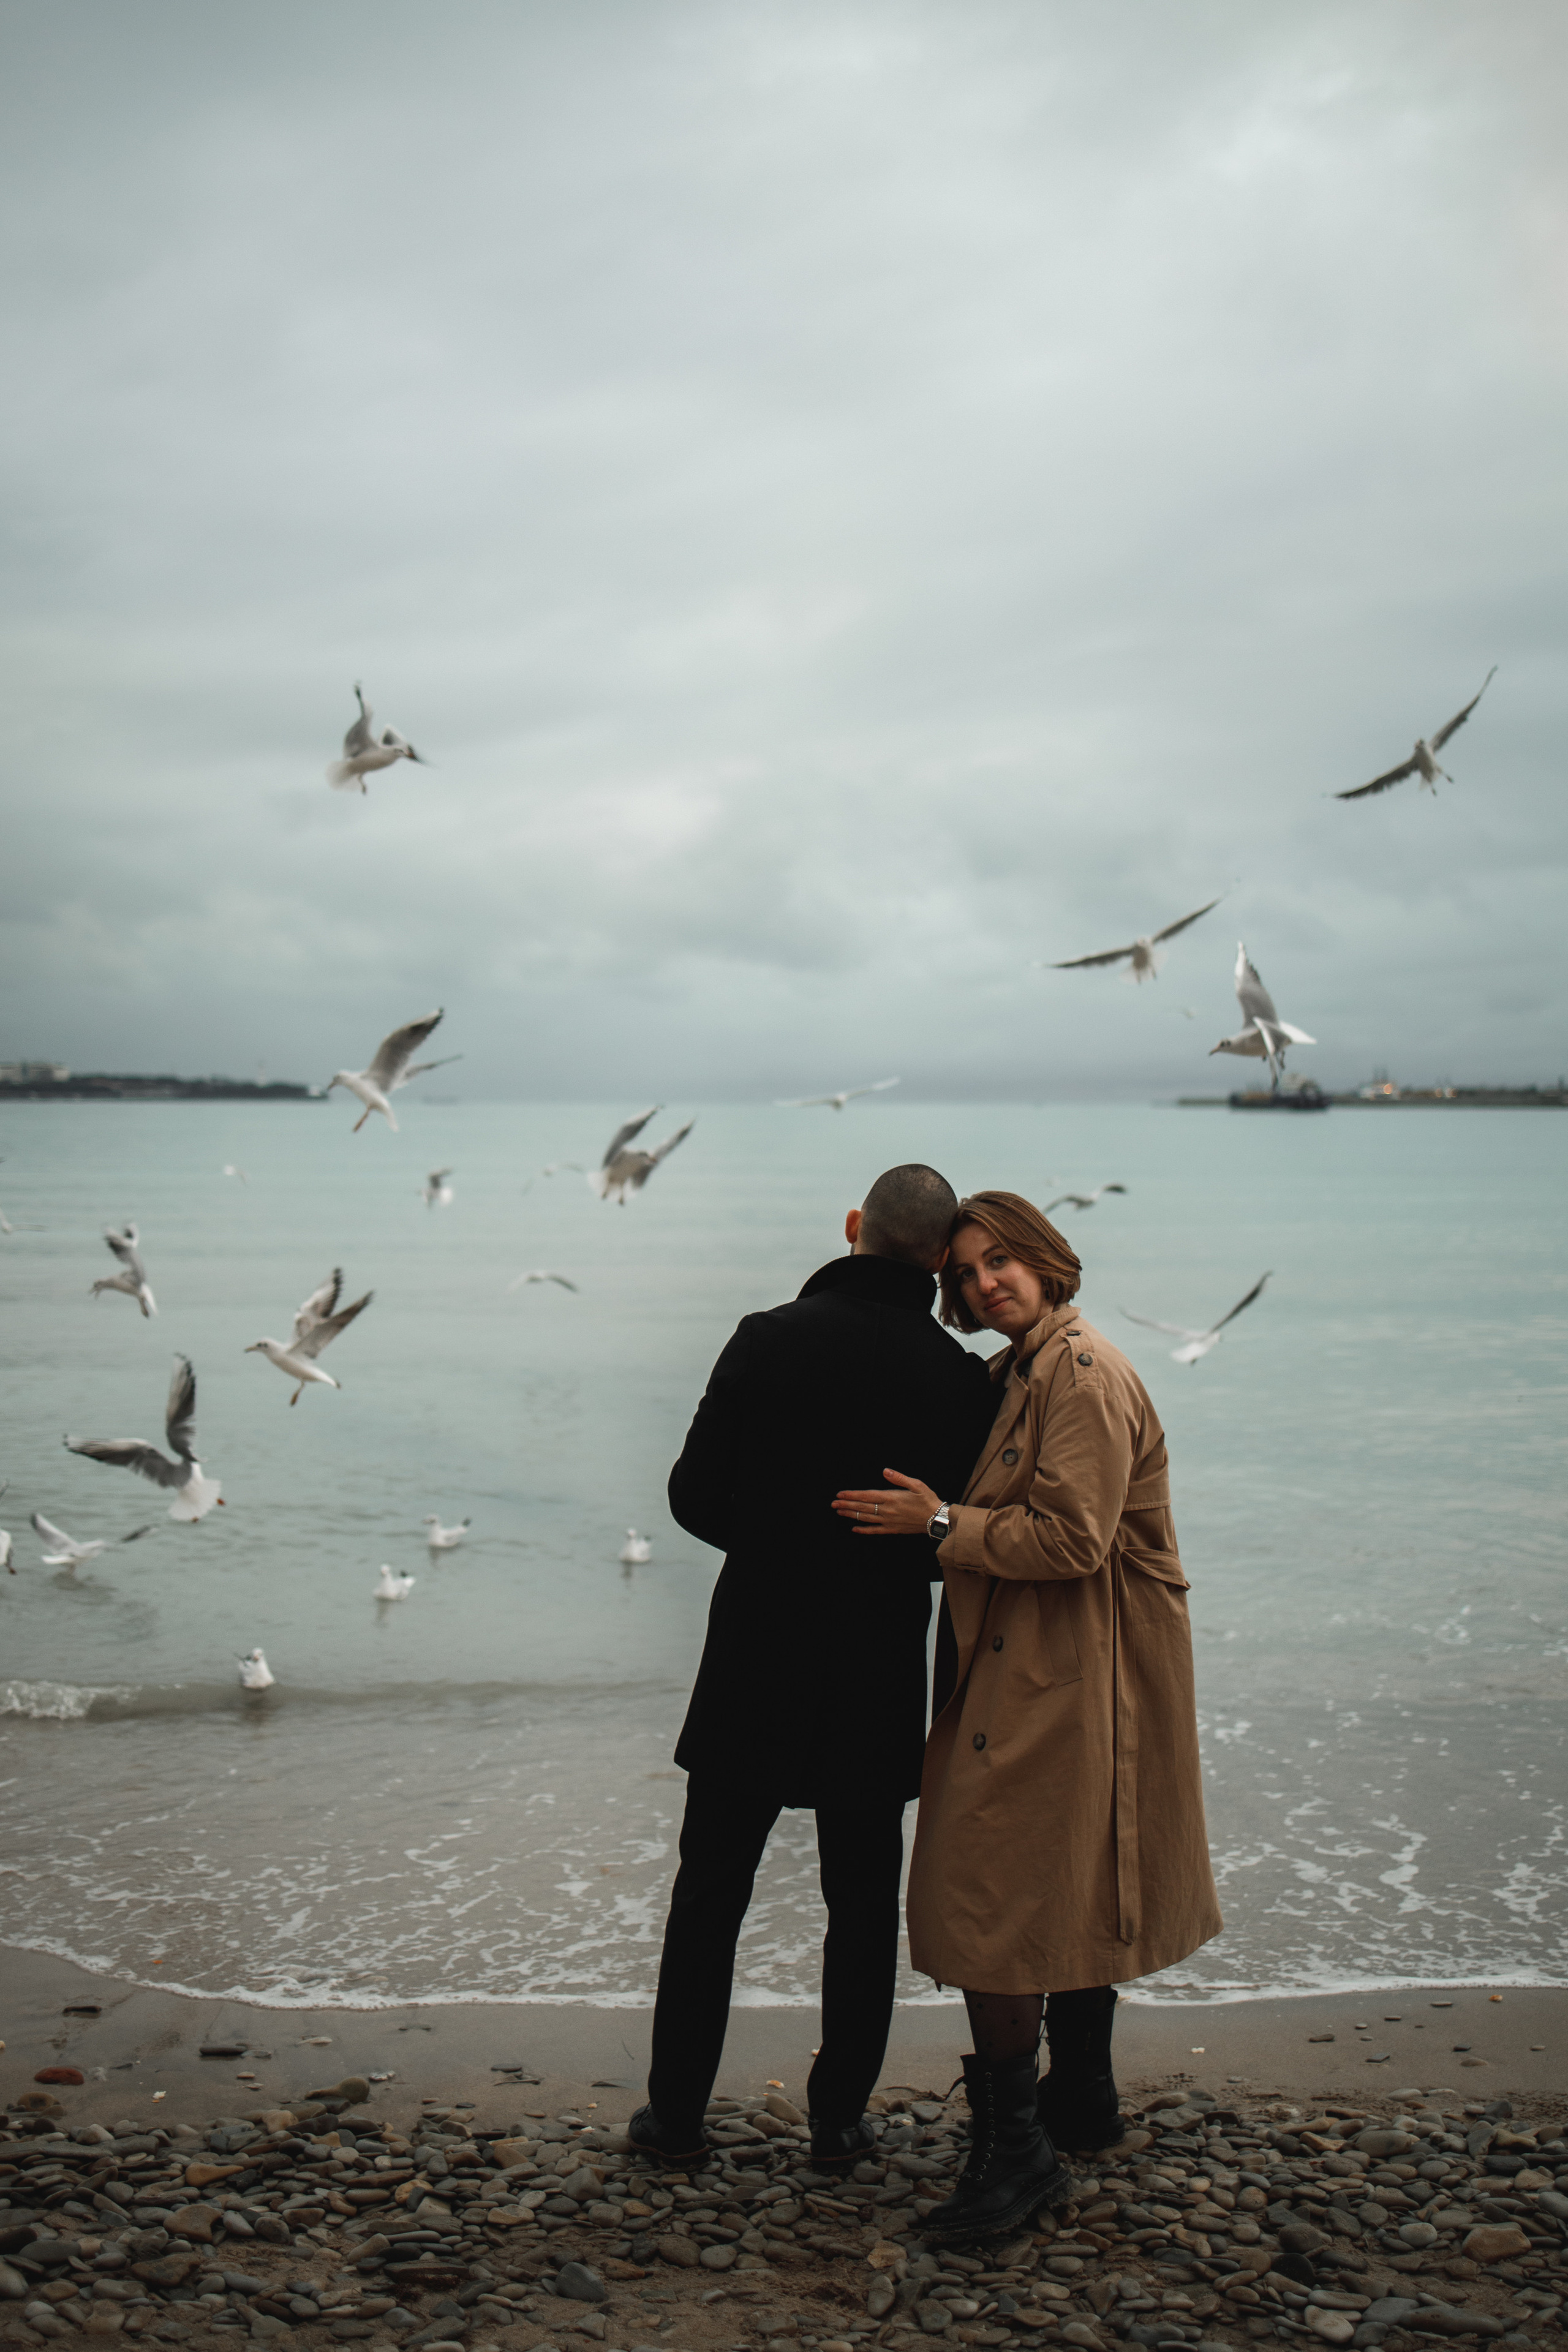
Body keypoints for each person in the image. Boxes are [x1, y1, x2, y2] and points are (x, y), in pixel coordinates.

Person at [832, 1189, 1221, 2241]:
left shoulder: (1082, 1371)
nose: (983, 1283)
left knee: (989, 1889)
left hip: (1077, 1659)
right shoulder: (1023, 1369)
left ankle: (1017, 2157)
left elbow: (1074, 1541)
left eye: (1001, 1261)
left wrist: (940, 1523)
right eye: (963, 1272)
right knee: (1068, 1869)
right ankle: (1079, 2101)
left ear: (1048, 1260)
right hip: (1068, 1658)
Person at [630, 1164, 999, 2171]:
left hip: (758, 1646)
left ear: (852, 1228)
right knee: (861, 1901)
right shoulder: (956, 1378)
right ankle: (838, 2119)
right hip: (876, 1662)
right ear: (938, 1257)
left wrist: (780, 1543)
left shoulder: (767, 1337)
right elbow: (951, 1533)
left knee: (711, 1890)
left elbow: (692, 1496)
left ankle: (676, 2119)